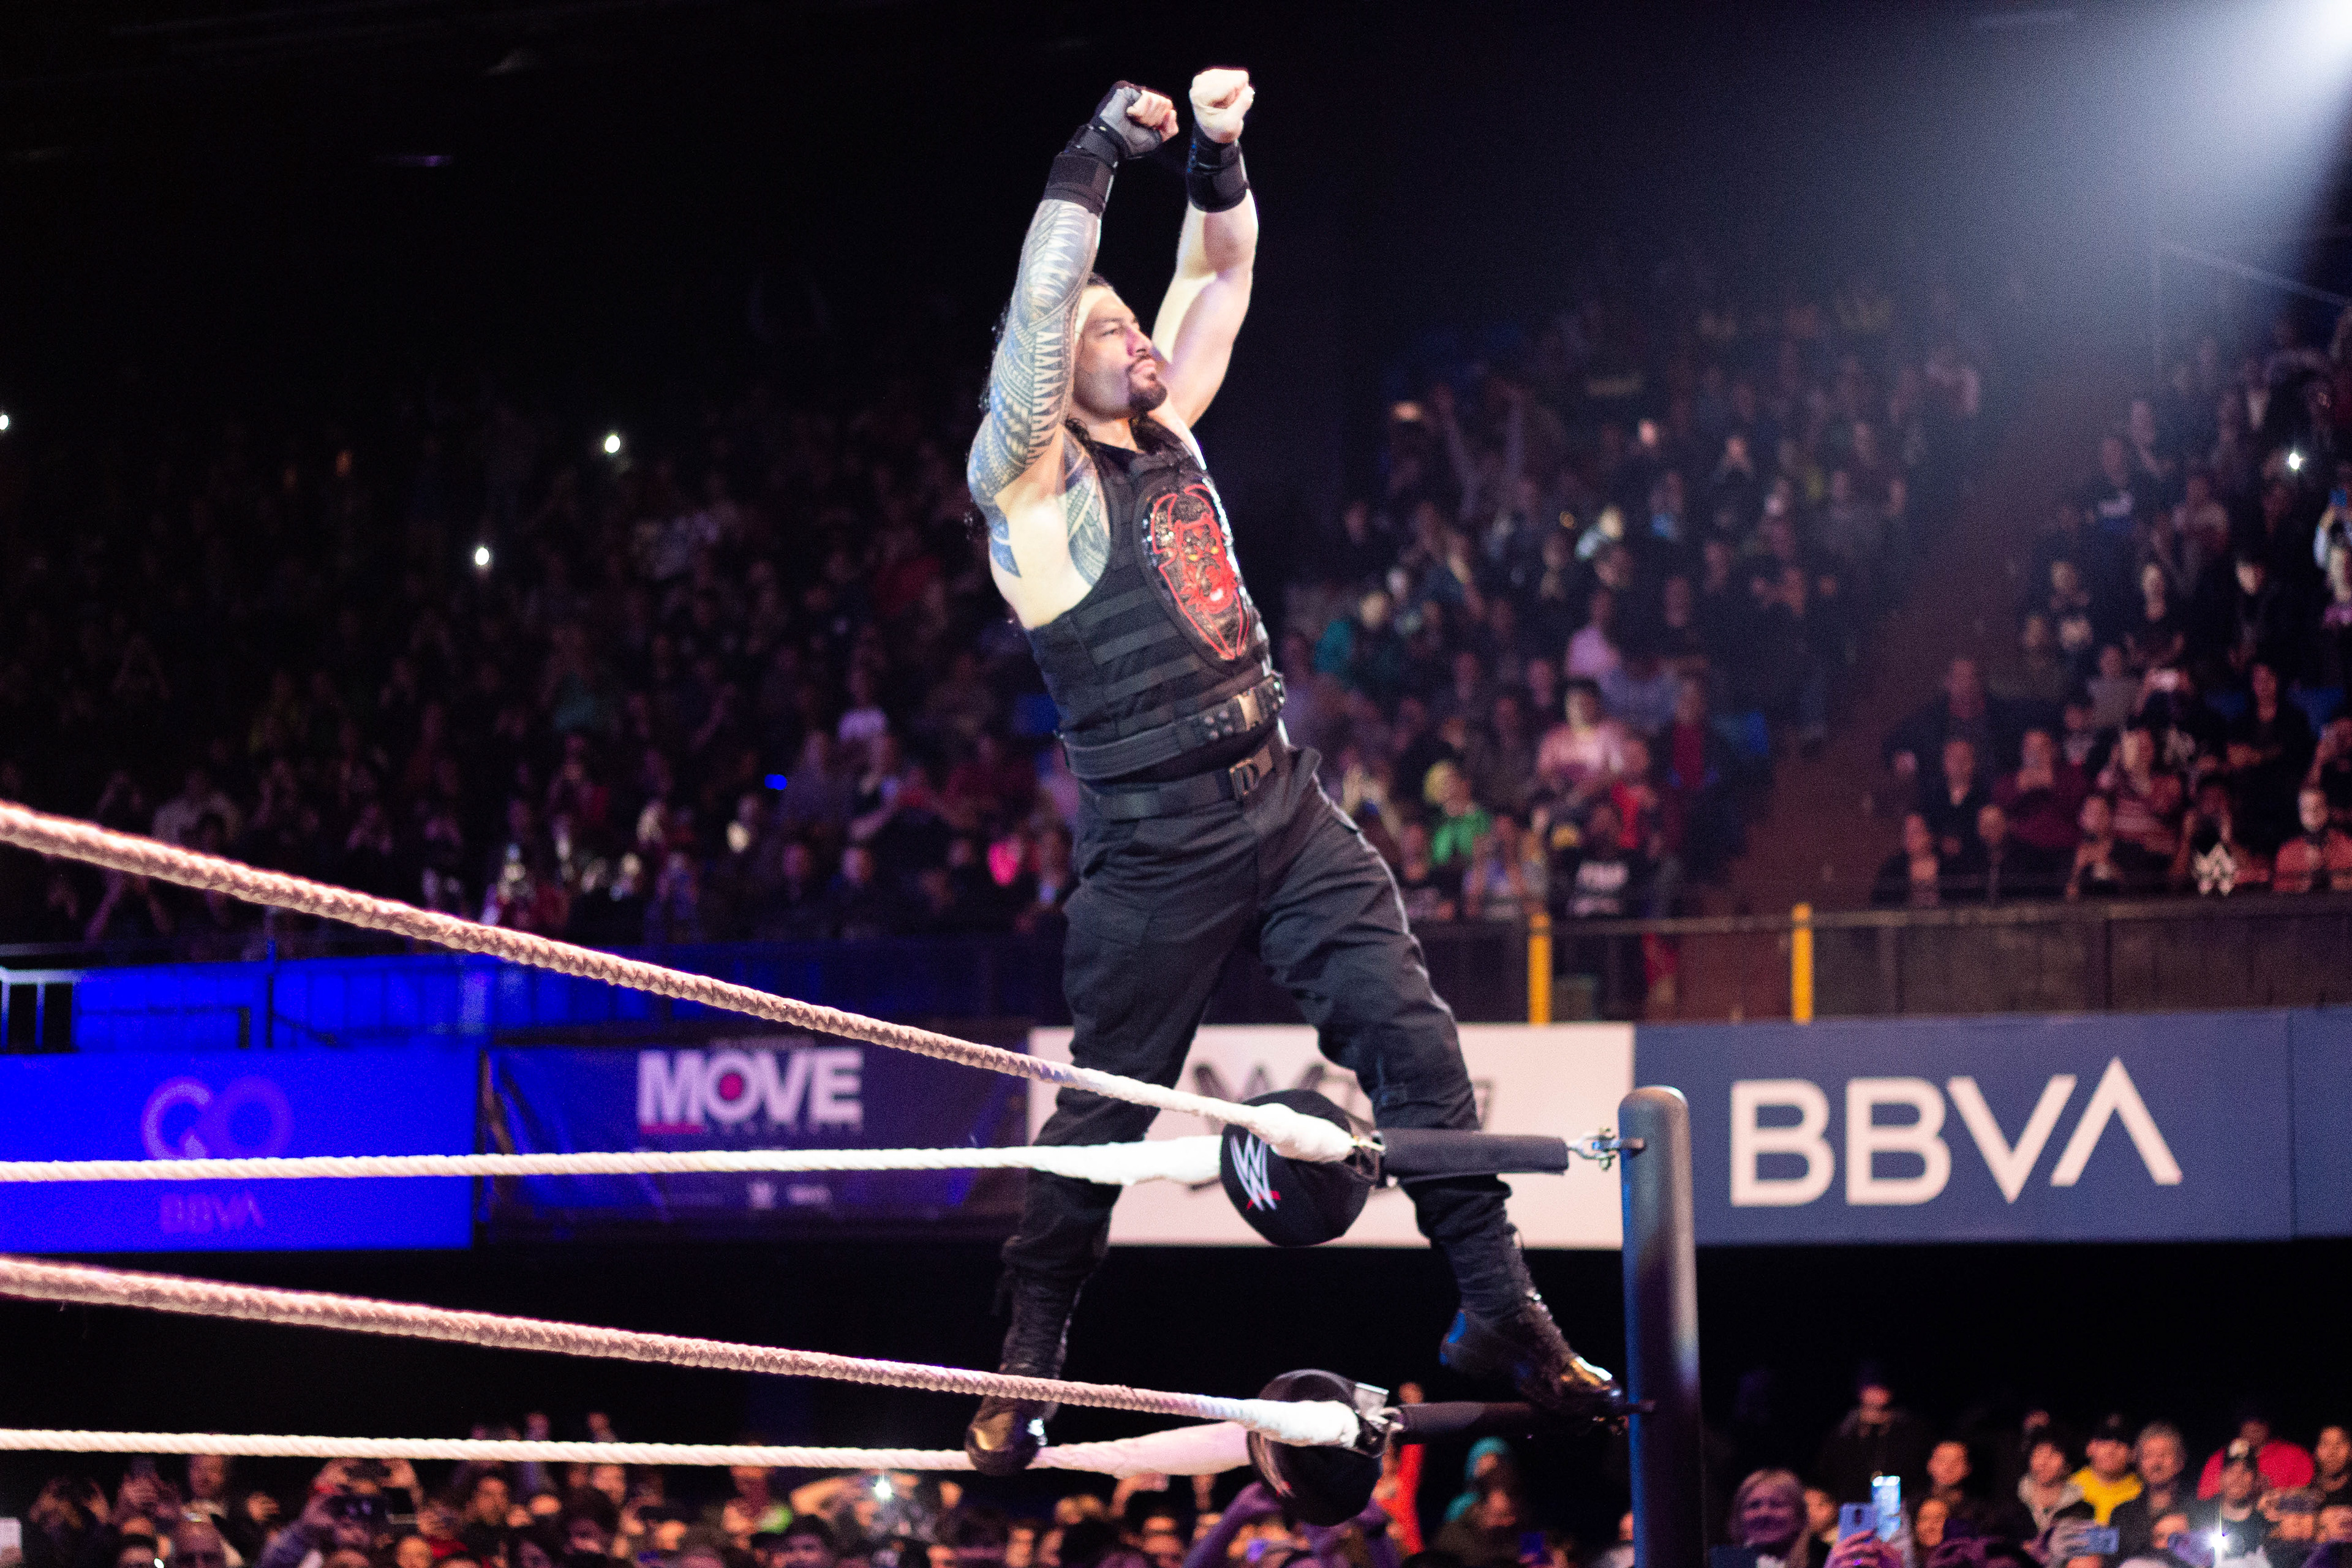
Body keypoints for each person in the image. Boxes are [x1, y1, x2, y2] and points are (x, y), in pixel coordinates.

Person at [960, 73, 1618, 1476]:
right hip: (1155, 848)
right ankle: (1029, 1350)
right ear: (1047, 371)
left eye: (1129, 320)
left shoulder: (1171, 426)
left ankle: (1498, 1303)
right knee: (1107, 1109)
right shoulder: (1030, 494)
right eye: (1104, 327)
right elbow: (1041, 302)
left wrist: (1215, 152)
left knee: (1415, 1038)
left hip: (1281, 801)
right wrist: (1095, 153)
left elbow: (1219, 270)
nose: (1133, 330)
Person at [2119, 1425, 2196, 1558]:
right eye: (2148, 1456)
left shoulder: (2198, 1513)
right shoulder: (2122, 1516)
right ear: (2139, 1463)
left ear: (2180, 1461)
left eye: (2163, 1455)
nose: (2156, 1463)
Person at [2077, 1416, 2147, 1524]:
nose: (2111, 1450)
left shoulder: (2143, 1493)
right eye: (2104, 1440)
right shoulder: (2070, 1489)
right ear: (2090, 1447)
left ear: (2133, 1454)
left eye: (2121, 1442)